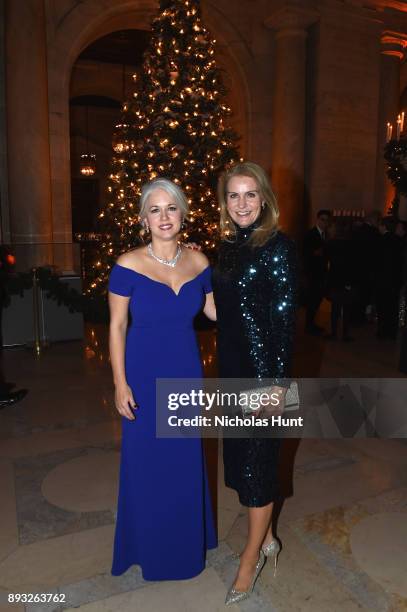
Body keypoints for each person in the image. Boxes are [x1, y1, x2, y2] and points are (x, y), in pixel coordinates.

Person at [108, 178, 217, 580]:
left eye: (171, 208)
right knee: (147, 463)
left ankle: (186, 545)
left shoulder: (200, 262)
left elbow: (214, 312)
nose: (164, 217)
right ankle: (149, 548)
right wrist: (120, 383)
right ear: (143, 219)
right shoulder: (127, 264)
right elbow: (117, 327)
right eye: (155, 210)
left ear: (183, 212)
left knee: (184, 459)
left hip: (186, 372)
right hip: (142, 371)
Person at [212, 162, 298, 605]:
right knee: (243, 465)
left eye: (250, 194)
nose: (242, 203)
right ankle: (267, 539)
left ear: (264, 199)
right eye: (233, 195)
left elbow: (284, 322)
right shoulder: (224, 248)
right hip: (232, 371)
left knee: (259, 470)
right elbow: (218, 313)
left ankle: (251, 559)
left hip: (266, 377)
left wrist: (278, 387)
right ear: (224, 202)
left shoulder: (278, 247)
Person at [324, 221, 358, 341]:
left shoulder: (331, 243)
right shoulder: (353, 245)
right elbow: (355, 265)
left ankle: (333, 333)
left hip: (335, 280)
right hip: (348, 281)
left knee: (335, 309)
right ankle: (345, 334)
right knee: (347, 309)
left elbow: (326, 260)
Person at [303, 209, 331, 335]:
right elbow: (306, 253)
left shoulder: (326, 235)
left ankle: (312, 324)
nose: (325, 223)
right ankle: (308, 326)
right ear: (317, 220)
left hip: (321, 272)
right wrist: (316, 252)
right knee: (312, 300)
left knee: (317, 299)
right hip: (313, 273)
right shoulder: (311, 234)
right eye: (323, 220)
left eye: (327, 220)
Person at [375, 217, 403, 340]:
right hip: (395, 280)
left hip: (382, 280)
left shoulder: (380, 241)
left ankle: (382, 331)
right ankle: (391, 332)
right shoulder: (399, 240)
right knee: (392, 306)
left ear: (384, 226)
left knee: (382, 306)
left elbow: (376, 262)